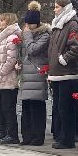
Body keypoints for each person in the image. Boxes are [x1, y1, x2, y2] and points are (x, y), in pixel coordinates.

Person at [47, 0, 78, 148]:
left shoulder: (72, 24)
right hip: (57, 72)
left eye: (57, 7)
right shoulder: (58, 24)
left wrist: (64, 59)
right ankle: (61, 136)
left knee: (66, 107)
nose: (54, 10)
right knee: (59, 107)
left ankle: (68, 139)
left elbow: (76, 46)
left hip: (67, 72)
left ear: (64, 8)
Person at [19, 9, 50, 145]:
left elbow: (32, 49)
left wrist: (27, 35)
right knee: (26, 107)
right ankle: (27, 136)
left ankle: (38, 137)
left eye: (29, 23)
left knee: (36, 107)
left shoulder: (44, 35)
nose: (26, 26)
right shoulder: (26, 36)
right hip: (26, 75)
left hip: (37, 75)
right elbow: (23, 53)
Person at [0, 12, 22, 144]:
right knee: (5, 107)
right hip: (4, 78)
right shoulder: (4, 38)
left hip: (9, 79)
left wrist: (1, 71)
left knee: (9, 108)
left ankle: (13, 135)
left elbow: (11, 59)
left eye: (2, 20)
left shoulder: (11, 38)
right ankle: (9, 133)